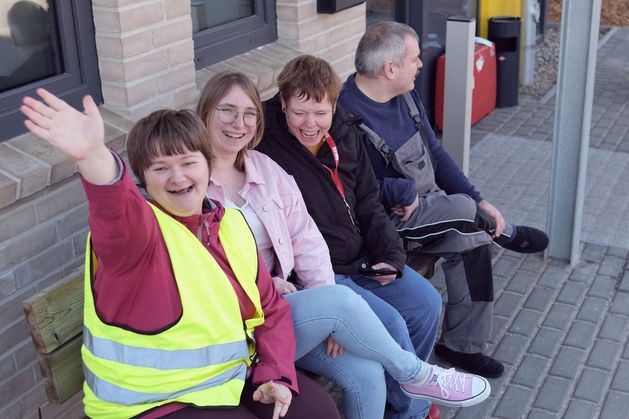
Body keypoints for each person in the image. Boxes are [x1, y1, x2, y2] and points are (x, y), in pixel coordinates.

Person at [19, 88, 341, 419]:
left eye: (189, 162)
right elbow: (115, 209)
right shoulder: (138, 236)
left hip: (226, 381)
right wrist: (93, 158)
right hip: (153, 404)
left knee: (318, 411)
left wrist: (275, 374)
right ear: (143, 178)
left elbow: (269, 309)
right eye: (160, 168)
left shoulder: (229, 223)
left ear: (208, 164)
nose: (178, 177)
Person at [199, 71, 492, 419]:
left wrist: (333, 303)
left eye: (248, 113)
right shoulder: (193, 180)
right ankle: (417, 376)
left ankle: (411, 396)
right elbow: (199, 264)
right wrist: (294, 293)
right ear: (206, 112)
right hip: (241, 322)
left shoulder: (265, 169)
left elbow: (306, 236)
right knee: (348, 303)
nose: (239, 122)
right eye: (227, 111)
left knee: (367, 374)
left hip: (287, 307)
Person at [337, 21, 550, 378]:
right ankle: (506, 233)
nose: (421, 65)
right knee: (467, 212)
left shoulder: (403, 95)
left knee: (475, 239)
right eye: (415, 59)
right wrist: (400, 191)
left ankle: (462, 346)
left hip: (434, 206)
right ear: (390, 69)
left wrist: (481, 199)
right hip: (389, 223)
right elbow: (346, 186)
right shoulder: (345, 116)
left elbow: (435, 153)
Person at [257, 55, 445, 419]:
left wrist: (391, 254)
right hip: (321, 273)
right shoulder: (267, 148)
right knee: (390, 322)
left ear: (333, 105)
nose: (310, 125)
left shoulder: (345, 130)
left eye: (320, 113)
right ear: (283, 105)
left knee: (426, 304)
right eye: (300, 113)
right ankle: (413, 411)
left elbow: (368, 201)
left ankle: (403, 399)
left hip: (364, 259)